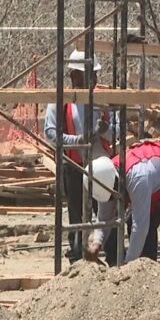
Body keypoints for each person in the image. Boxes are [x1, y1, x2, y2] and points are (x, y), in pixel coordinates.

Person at [85, 138, 160, 279]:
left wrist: (128, 266)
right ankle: (147, 278)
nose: (114, 201)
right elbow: (104, 217)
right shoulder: (106, 180)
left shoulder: (137, 177)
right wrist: (97, 243)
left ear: (117, 183)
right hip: (158, 182)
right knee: (132, 222)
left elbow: (140, 227)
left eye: (113, 196)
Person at [43, 49, 119, 263]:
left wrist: (105, 130)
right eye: (89, 75)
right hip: (73, 165)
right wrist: (75, 140)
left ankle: (111, 254)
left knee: (106, 210)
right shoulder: (61, 100)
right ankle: (78, 255)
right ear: (74, 76)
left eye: (94, 75)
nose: (94, 79)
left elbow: (118, 130)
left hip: (100, 167)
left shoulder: (103, 98)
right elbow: (50, 133)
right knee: (76, 213)